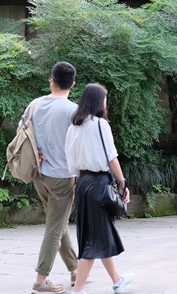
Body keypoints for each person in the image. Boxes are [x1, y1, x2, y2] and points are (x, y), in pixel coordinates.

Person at [65, 83, 134, 294]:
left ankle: (117, 280)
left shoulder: (73, 127)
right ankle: (78, 291)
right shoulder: (100, 125)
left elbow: (71, 164)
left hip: (83, 184)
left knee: (98, 234)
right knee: (93, 240)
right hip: (98, 184)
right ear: (98, 101)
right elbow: (111, 158)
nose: (106, 103)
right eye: (105, 99)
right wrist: (122, 183)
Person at [22, 61, 79, 294]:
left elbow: (21, 133)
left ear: (51, 80)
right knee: (55, 226)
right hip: (63, 178)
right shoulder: (74, 110)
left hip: (39, 175)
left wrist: (36, 152)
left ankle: (75, 269)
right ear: (72, 84)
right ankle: (40, 280)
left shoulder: (34, 105)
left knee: (58, 221)